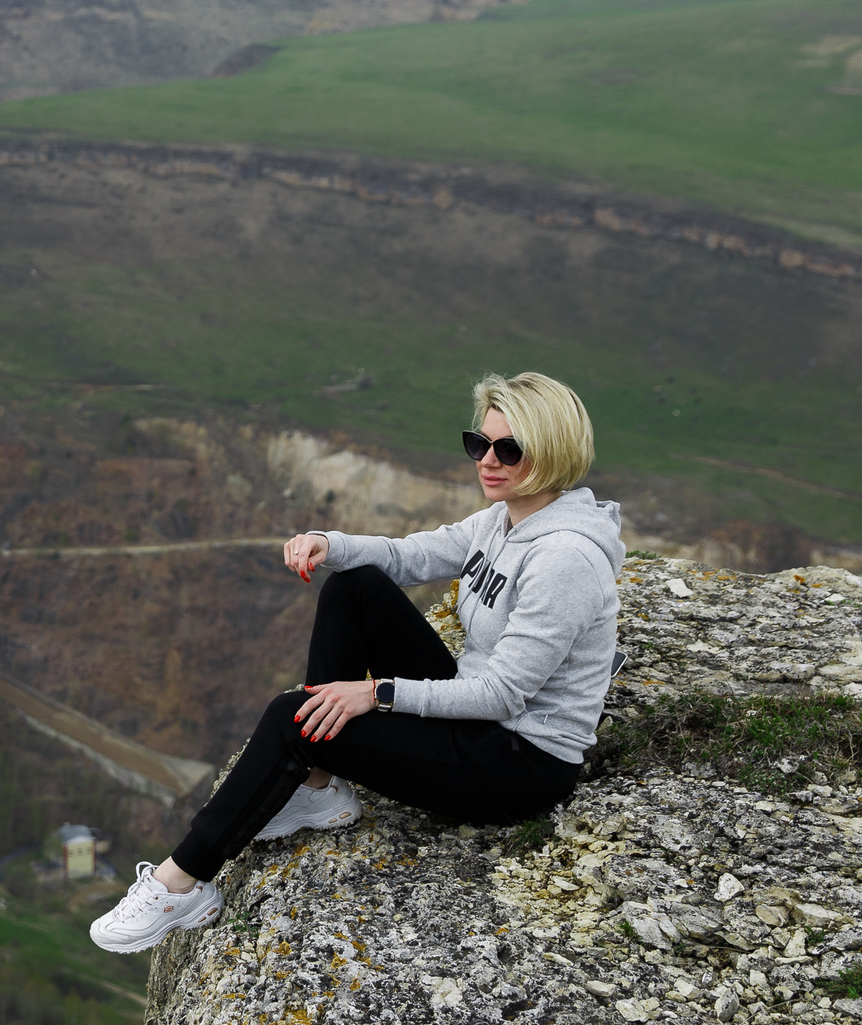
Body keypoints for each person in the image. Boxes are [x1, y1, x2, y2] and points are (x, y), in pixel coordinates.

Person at [90, 371, 623, 953]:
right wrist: (330, 544)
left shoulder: (564, 558)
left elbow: (504, 694)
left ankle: (180, 882)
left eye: (508, 450)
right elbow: (411, 555)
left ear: (552, 454)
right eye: (479, 444)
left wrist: (377, 693)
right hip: (476, 719)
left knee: (292, 718)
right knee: (355, 587)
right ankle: (316, 787)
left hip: (518, 763)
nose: (487, 461)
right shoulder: (504, 518)